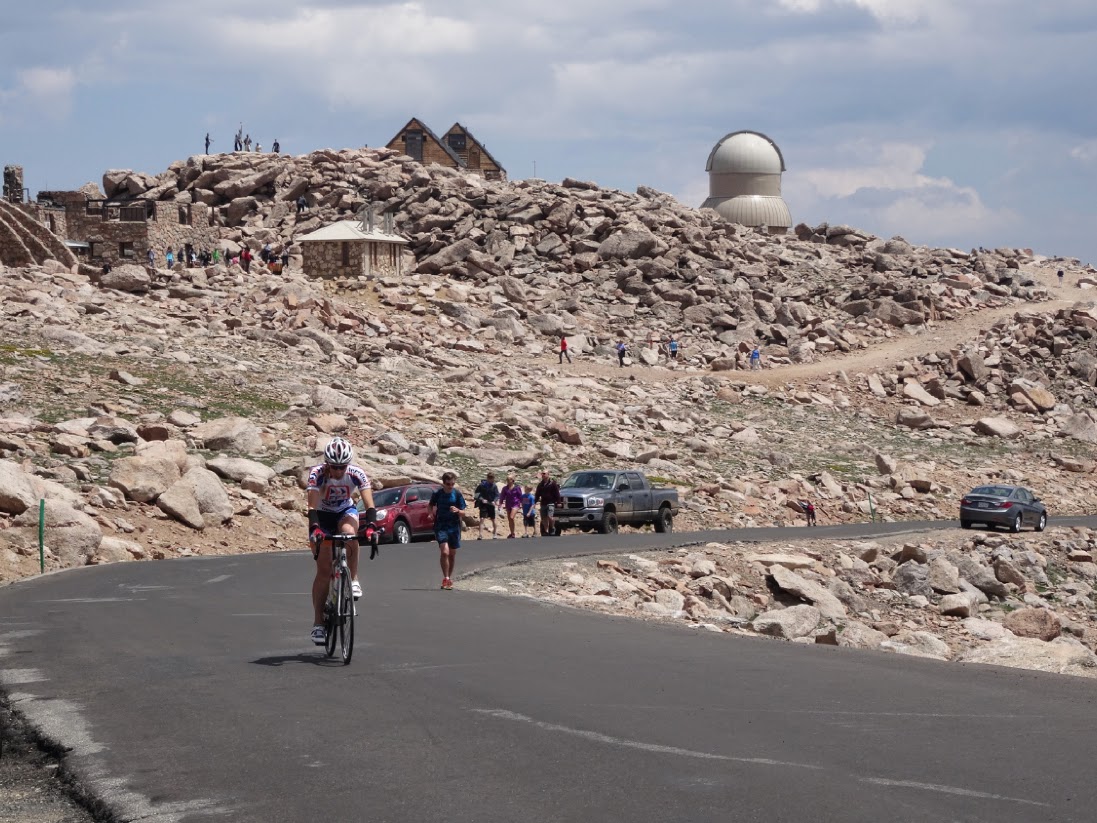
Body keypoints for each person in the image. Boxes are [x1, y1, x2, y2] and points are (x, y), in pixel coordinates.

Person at [306, 437, 375, 645]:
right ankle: (318, 623)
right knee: (324, 571)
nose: (338, 471)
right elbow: (311, 507)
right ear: (327, 463)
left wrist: (372, 526)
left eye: (342, 467)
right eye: (335, 467)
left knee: (349, 532)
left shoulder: (356, 473)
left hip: (345, 511)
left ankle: (353, 579)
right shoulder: (317, 474)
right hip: (321, 515)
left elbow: (369, 504)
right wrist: (315, 528)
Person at [428, 472, 466, 590]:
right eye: (448, 484)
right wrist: (430, 513)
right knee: (445, 552)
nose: (450, 486)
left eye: (452, 484)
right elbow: (430, 505)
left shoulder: (457, 494)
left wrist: (457, 511)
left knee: (452, 554)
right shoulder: (437, 493)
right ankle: (446, 578)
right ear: (443, 483)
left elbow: (464, 512)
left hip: (454, 527)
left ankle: (449, 576)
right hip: (441, 525)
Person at [535, 469, 562, 537]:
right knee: (544, 518)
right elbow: (537, 494)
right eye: (542, 474)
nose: (543, 475)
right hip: (543, 503)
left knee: (550, 516)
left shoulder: (553, 483)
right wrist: (534, 502)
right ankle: (546, 531)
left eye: (544, 473)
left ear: (548, 474)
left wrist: (558, 502)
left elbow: (557, 493)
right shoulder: (540, 485)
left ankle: (552, 528)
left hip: (551, 503)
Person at [474, 472, 499, 539]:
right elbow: (476, 494)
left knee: (493, 519)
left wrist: (494, 501)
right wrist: (482, 499)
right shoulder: (482, 485)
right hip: (483, 504)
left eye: (493, 479)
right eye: (490, 479)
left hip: (491, 504)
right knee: (482, 519)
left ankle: (495, 533)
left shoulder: (494, 486)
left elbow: (497, 495)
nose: (491, 480)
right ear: (487, 478)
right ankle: (480, 535)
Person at [499, 475, 523, 539]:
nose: (507, 481)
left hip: (515, 504)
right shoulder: (505, 488)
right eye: (507, 479)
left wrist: (523, 504)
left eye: (509, 479)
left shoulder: (517, 488)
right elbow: (502, 496)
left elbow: (520, 496)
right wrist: (500, 504)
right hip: (508, 504)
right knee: (509, 519)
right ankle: (512, 533)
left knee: (511, 517)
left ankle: (513, 533)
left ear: (512, 480)